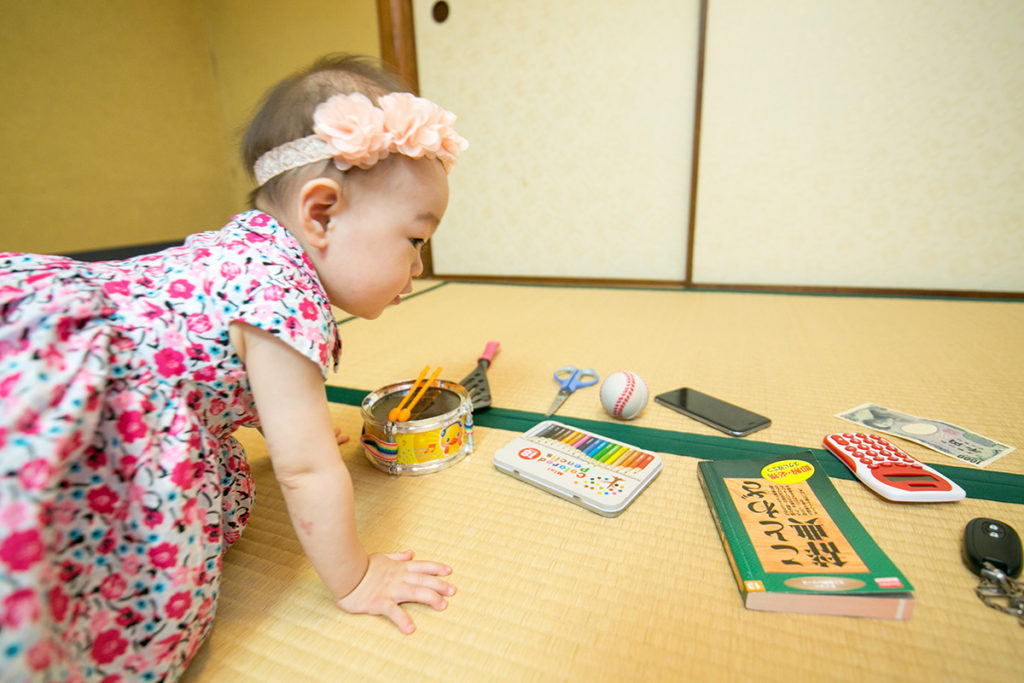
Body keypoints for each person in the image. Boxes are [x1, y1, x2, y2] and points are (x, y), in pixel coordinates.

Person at [0, 54, 468, 680]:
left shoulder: (245, 247)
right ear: (320, 213)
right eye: (414, 240)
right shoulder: (282, 298)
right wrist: (356, 576)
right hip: (95, 414)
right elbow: (305, 471)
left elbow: (197, 359)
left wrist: (287, 418)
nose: (417, 267)